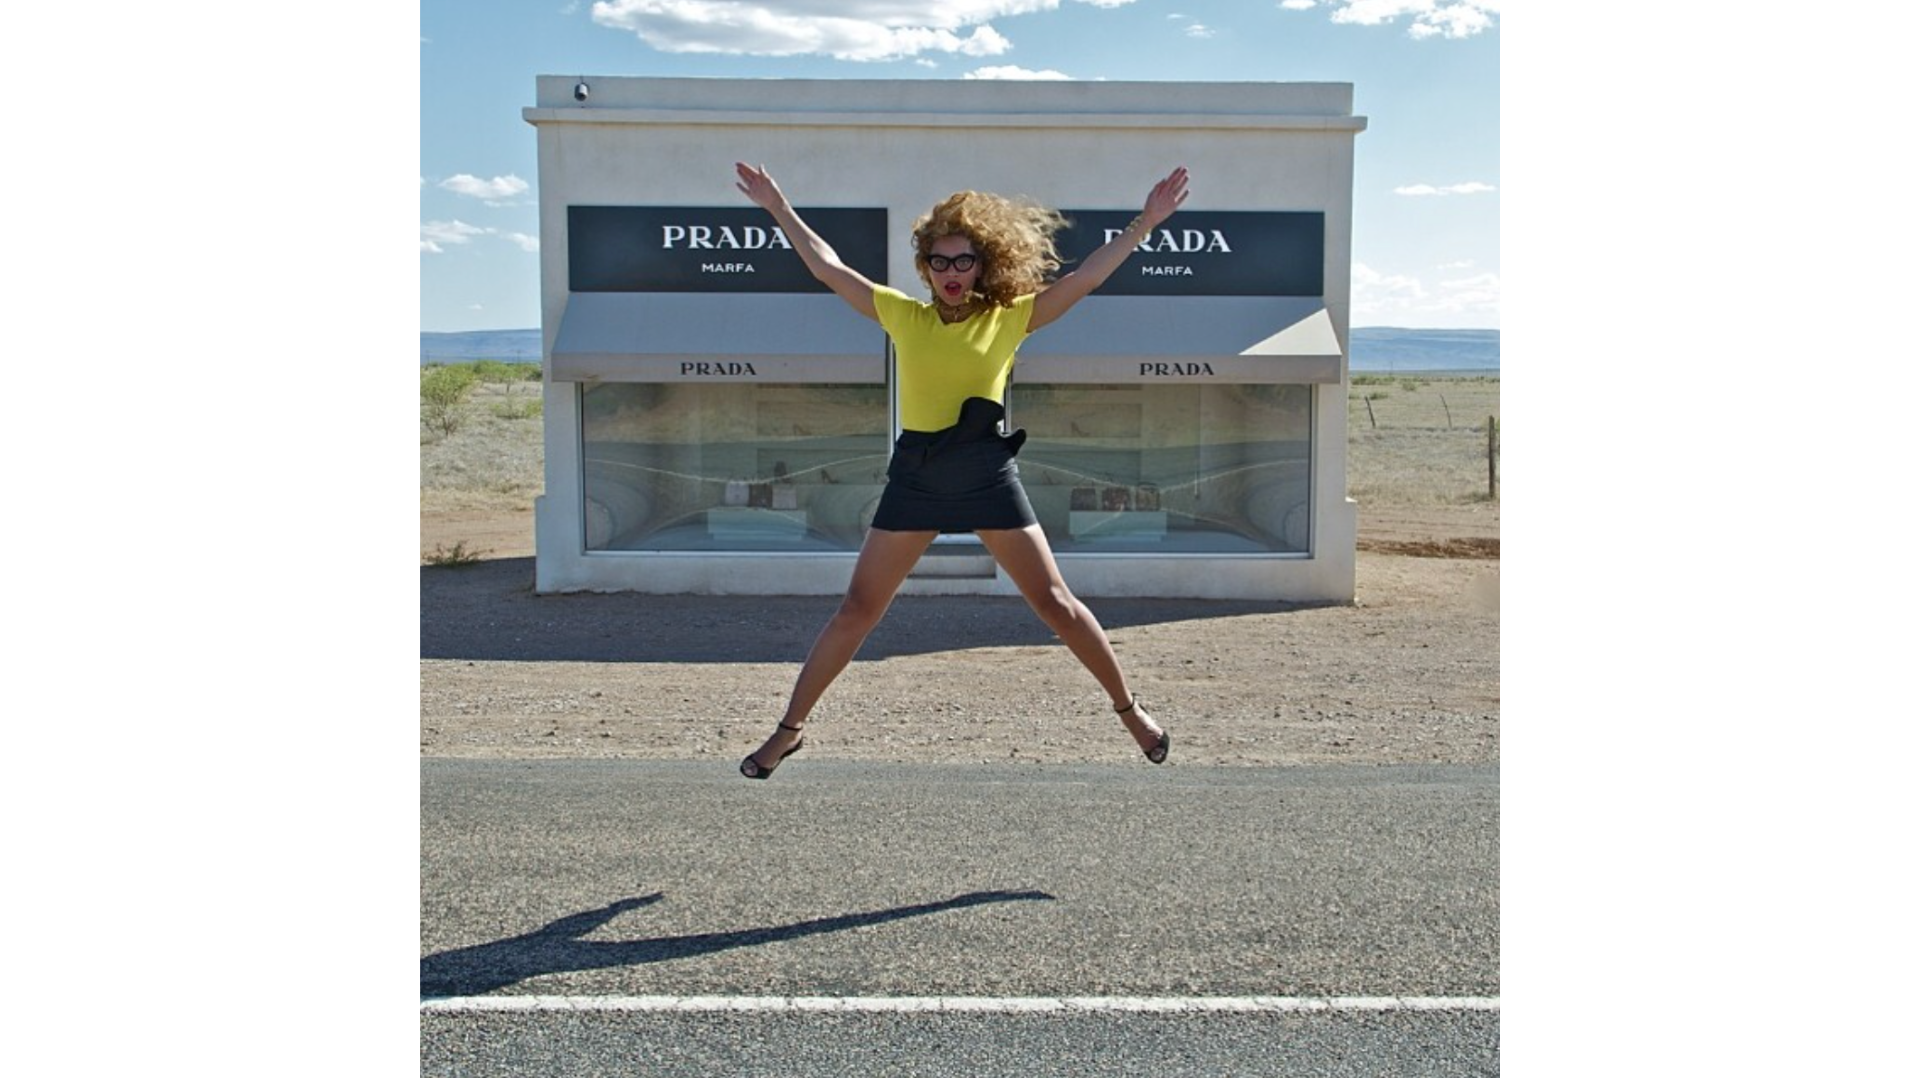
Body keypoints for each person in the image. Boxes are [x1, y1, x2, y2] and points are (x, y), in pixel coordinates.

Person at [733, 161, 1189, 779]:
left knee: (1055, 603)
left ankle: (1132, 712)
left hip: (984, 475)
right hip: (916, 477)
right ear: (926, 268)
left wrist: (1146, 222)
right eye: (940, 262)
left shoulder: (1009, 319)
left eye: (964, 261)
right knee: (857, 610)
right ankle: (787, 733)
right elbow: (826, 267)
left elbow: (1084, 278)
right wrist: (778, 207)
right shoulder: (903, 315)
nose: (952, 274)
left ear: (984, 264)